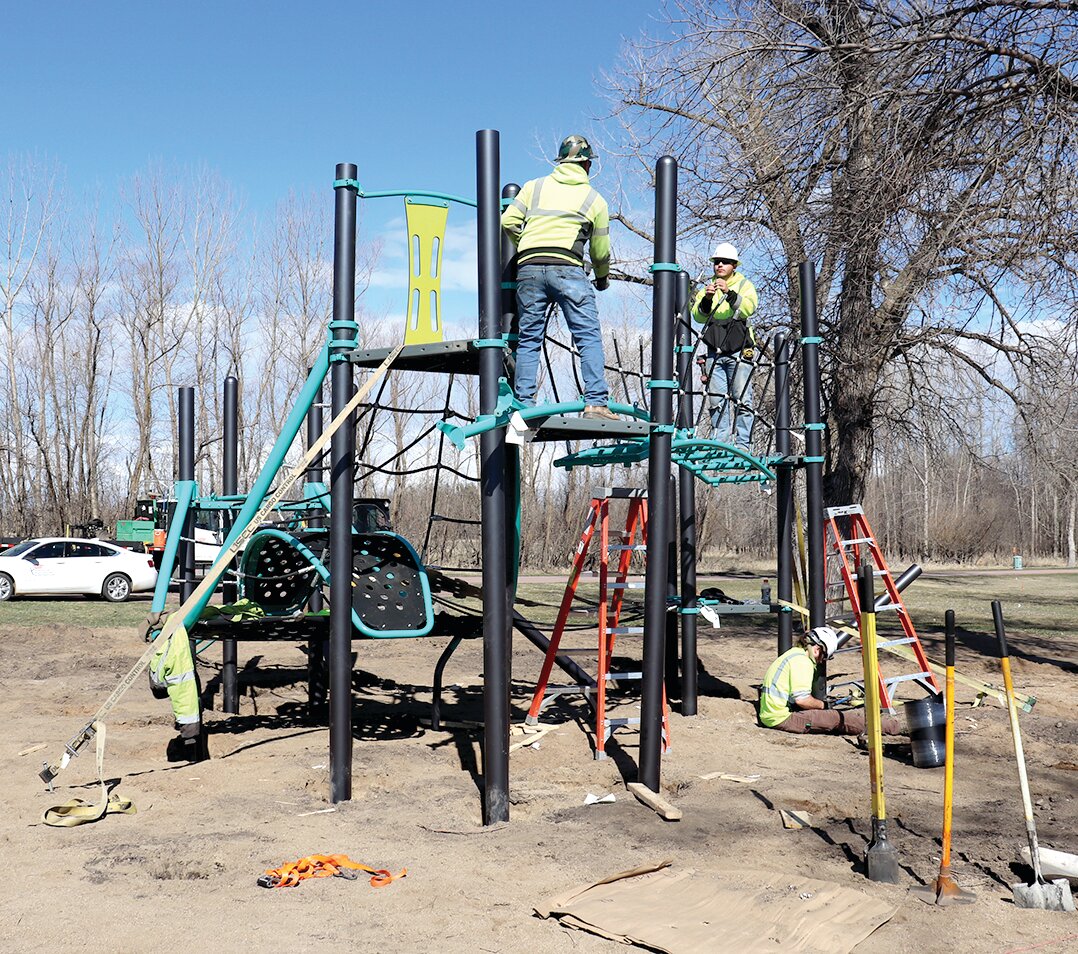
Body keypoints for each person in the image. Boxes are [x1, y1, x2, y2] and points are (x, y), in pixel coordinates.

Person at [501, 134, 617, 421]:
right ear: (587, 164)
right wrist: (602, 278)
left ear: (561, 161)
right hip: (568, 268)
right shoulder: (594, 200)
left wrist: (527, 243)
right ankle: (595, 403)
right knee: (587, 336)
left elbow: (508, 221)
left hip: (529, 267)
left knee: (529, 337)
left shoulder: (533, 187)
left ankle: (524, 404)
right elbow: (600, 252)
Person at [759, 627, 905, 735]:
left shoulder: (792, 654)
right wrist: (824, 705)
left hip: (772, 714)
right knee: (836, 718)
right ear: (817, 649)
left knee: (830, 715)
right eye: (823, 657)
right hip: (780, 718)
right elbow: (802, 700)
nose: (821, 661)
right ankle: (894, 727)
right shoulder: (802, 662)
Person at [691, 242, 758, 449]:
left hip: (739, 348)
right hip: (715, 350)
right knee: (716, 399)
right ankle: (720, 442)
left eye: (725, 262)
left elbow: (749, 308)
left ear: (734, 265)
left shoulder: (743, 285)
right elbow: (698, 316)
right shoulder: (707, 288)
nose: (720, 265)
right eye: (717, 262)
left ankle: (743, 444)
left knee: (742, 397)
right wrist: (708, 298)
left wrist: (729, 293)